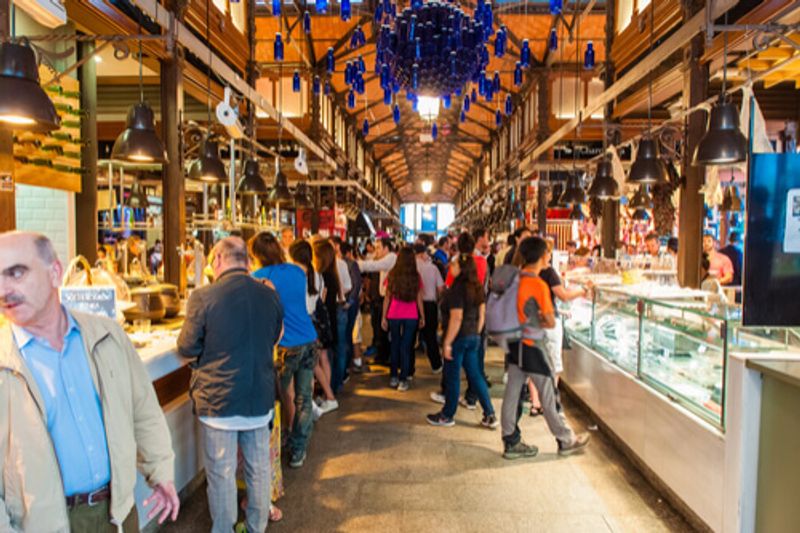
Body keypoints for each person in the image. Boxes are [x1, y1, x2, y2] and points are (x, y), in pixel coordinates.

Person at [0, 232, 178, 531]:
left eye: (16, 273)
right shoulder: (6, 363)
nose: (4, 289)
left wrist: (160, 472)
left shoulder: (107, 335)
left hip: (118, 514)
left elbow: (143, 410)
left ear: (55, 273)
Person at [178, 237, 283, 532]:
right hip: (258, 398)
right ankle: (255, 528)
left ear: (218, 260)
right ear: (248, 262)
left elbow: (187, 347)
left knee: (222, 475)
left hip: (218, 402)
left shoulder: (203, 297)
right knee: (258, 470)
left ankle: (224, 529)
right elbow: (275, 334)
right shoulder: (269, 295)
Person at [500, 237, 590, 460]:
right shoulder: (538, 284)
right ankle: (566, 439)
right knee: (549, 393)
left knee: (512, 392)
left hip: (514, 342)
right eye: (547, 254)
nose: (549, 257)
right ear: (542, 257)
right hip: (533, 345)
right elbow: (550, 321)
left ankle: (510, 440)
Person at [248, 233, 323, 470]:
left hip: (284, 346)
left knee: (279, 397)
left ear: (256, 256)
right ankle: (299, 449)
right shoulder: (296, 272)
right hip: (309, 340)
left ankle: (278, 444)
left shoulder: (257, 277)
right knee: (304, 397)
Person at [427, 253, 498, 428]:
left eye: (454, 264)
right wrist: (476, 333)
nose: (451, 267)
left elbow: (456, 318)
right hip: (473, 337)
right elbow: (482, 315)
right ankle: (490, 414)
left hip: (458, 338)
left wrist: (447, 342)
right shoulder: (477, 287)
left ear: (462, 268)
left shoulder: (458, 289)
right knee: (475, 376)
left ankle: (447, 415)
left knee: (453, 377)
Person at [528, 239, 591, 417]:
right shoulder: (549, 272)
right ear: (545, 254)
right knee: (553, 366)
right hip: (549, 323)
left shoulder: (526, 271)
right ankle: (550, 404)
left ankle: (535, 404)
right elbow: (563, 296)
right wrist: (583, 291)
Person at [289, 240, 338, 420]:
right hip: (315, 320)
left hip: (303, 322)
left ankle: (328, 397)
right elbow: (320, 299)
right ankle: (325, 396)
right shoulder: (317, 275)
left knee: (311, 366)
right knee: (317, 362)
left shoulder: (296, 275)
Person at [382, 246, 424, 391]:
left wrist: (383, 317)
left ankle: (393, 376)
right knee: (406, 347)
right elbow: (419, 298)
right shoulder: (416, 276)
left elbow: (387, 297)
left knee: (394, 345)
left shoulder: (392, 274)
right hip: (411, 315)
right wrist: (422, 316)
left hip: (394, 314)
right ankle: (403, 379)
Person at [314, 239, 350, 395]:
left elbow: (320, 300)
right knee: (335, 353)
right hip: (334, 315)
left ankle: (329, 390)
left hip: (325, 319)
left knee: (324, 357)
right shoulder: (334, 271)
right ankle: (335, 385)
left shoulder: (322, 275)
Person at [358, 237, 397, 365]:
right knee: (381, 330)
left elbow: (374, 266)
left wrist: (356, 264)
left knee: (384, 330)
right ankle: (383, 356)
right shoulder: (385, 258)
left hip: (388, 300)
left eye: (379, 248)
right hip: (382, 299)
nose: (376, 251)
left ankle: (385, 357)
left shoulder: (391, 258)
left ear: (386, 248)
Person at [415, 242, 444, 373]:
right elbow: (440, 289)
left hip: (412, 305)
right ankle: (436, 365)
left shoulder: (411, 267)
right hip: (429, 305)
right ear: (422, 254)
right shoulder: (433, 268)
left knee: (410, 337)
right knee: (431, 336)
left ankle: (408, 369)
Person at [339, 242, 363, 374]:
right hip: (342, 305)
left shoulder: (351, 264)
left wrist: (350, 301)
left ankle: (346, 368)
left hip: (347, 305)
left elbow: (355, 285)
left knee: (347, 336)